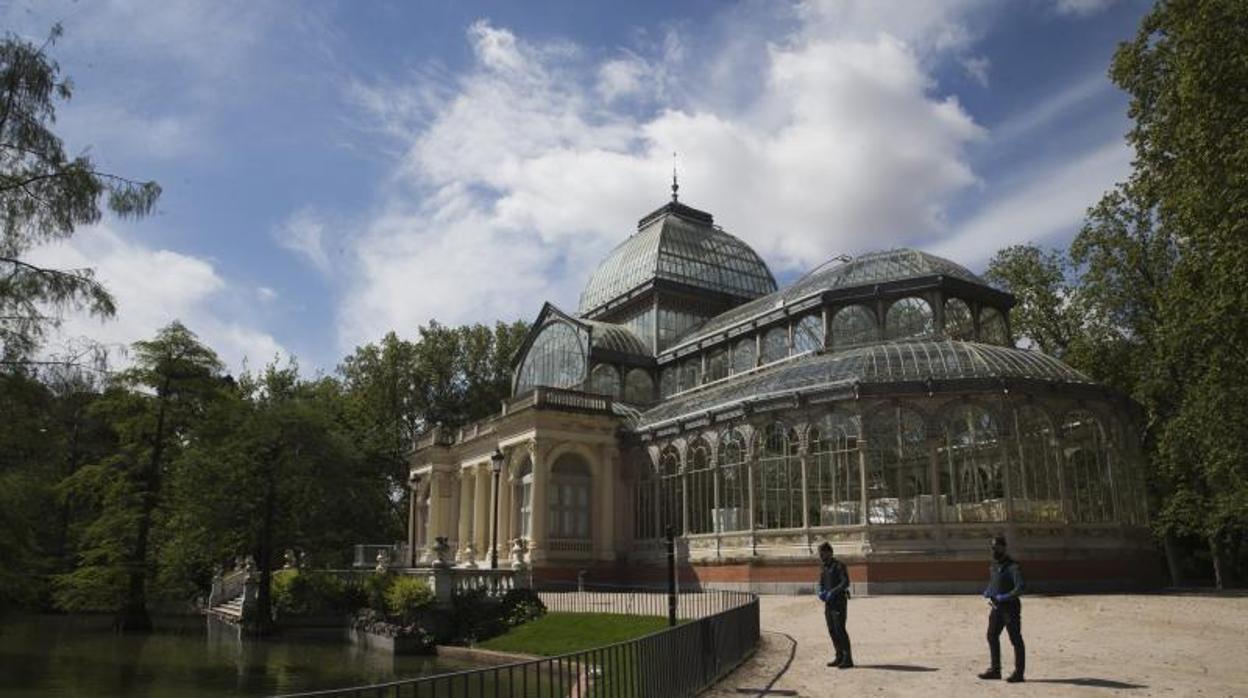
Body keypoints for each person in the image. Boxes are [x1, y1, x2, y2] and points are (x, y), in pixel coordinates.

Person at [978, 534, 1025, 683]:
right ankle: (995, 670)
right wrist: (988, 591)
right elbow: (993, 583)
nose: (994, 550)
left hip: (1010, 608)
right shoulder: (994, 565)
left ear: (1003, 548)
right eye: (992, 547)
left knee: (1015, 639)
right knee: (991, 635)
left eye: (996, 547)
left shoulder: (1012, 566)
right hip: (996, 607)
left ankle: (1019, 673)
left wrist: (1006, 596)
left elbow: (1020, 587)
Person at [816, 541, 853, 669]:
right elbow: (821, 581)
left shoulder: (839, 566)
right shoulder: (824, 567)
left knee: (840, 629)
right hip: (828, 603)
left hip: (839, 602)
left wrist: (832, 592)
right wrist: (820, 590)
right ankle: (839, 656)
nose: (821, 556)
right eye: (820, 554)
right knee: (831, 629)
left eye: (822, 553)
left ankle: (848, 658)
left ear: (829, 553)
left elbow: (845, 582)